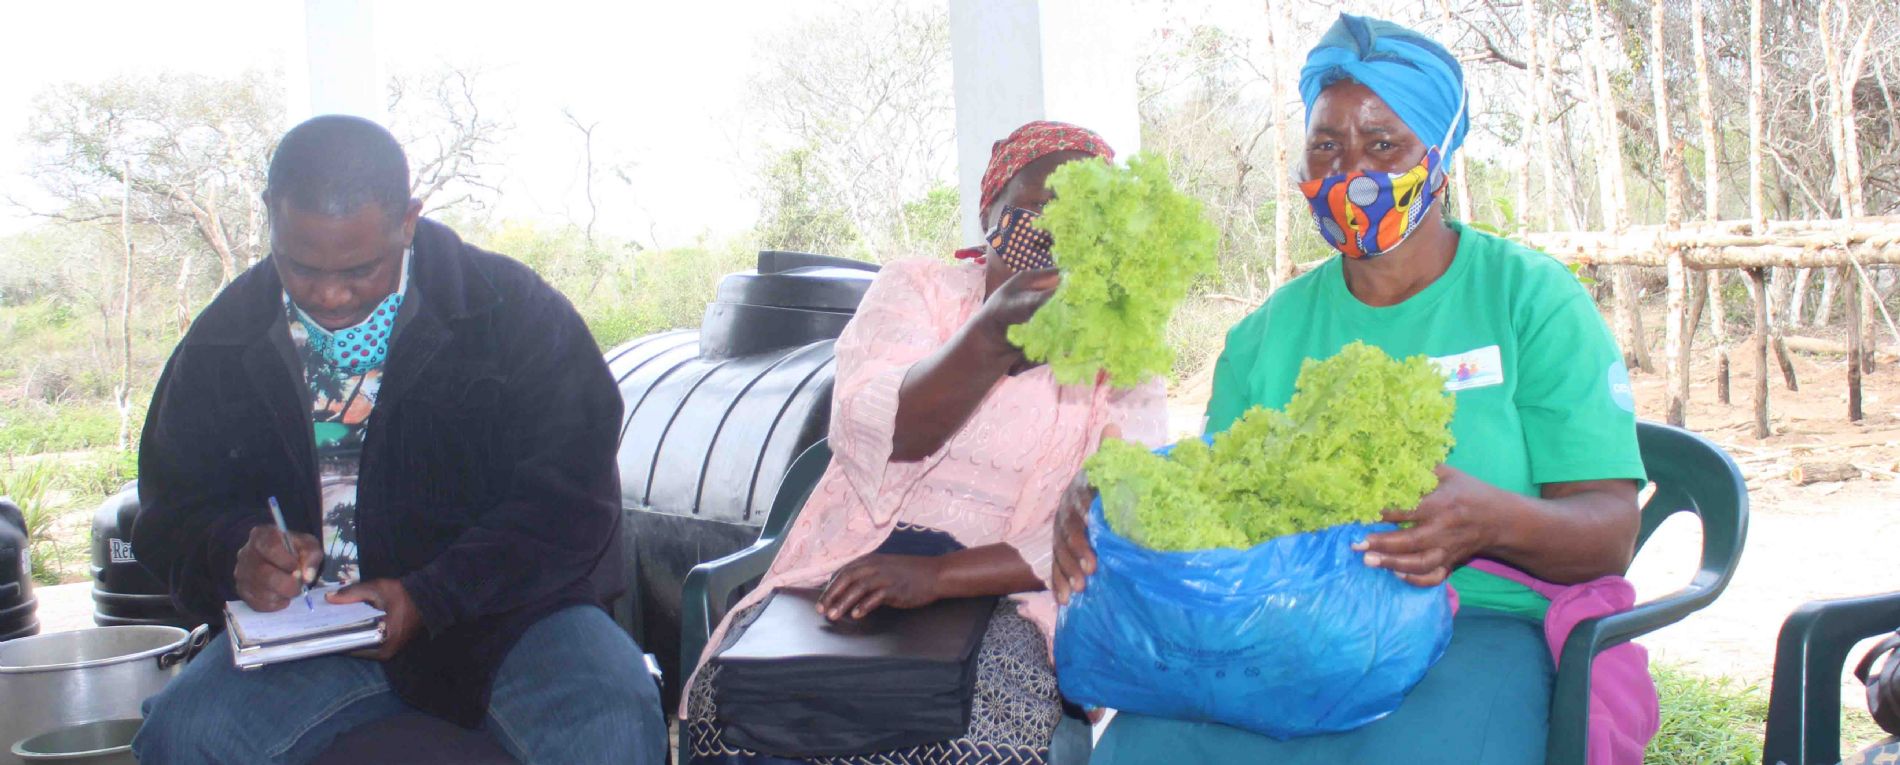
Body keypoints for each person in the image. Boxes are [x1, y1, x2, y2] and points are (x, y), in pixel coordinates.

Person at [1052, 14, 1653, 764]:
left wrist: (1490, 521)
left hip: (1480, 630)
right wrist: (1110, 495)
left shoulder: (1529, 300)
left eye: (1383, 143)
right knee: (1139, 751)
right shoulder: (1264, 337)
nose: (1349, 172)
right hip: (1281, 633)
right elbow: (1219, 508)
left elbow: (1609, 530)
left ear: (1437, 152)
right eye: (1326, 145)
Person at [130, 115, 664, 764]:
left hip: (507, 620)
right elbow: (172, 508)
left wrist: (432, 595)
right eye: (299, 266)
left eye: (360, 269)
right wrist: (235, 553)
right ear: (271, 214)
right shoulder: (223, 341)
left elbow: (571, 501)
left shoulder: (510, 312)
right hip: (310, 633)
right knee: (183, 735)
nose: (328, 294)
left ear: (408, 221)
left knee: (613, 720)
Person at [682, 121, 1167, 765]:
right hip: (851, 557)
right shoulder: (918, 289)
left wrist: (938, 577)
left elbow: (1110, 524)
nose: (1055, 229)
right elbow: (881, 429)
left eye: (1083, 214)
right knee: (744, 704)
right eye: (1035, 205)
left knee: (980, 730)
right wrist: (993, 334)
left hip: (1011, 592)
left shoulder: (1123, 348)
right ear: (990, 209)